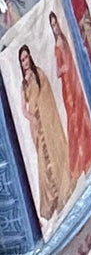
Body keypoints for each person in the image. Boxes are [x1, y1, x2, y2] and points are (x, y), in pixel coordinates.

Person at [17, 42, 71, 222]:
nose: (25, 62)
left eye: (26, 58)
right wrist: (33, 119)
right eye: (22, 59)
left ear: (30, 57)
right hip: (37, 128)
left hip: (47, 123)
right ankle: (52, 198)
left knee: (52, 153)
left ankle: (60, 191)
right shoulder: (23, 85)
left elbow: (46, 96)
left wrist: (42, 115)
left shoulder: (39, 74)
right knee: (43, 160)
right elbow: (23, 109)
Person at [48, 8, 91, 181]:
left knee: (81, 114)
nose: (55, 28)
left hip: (74, 83)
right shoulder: (57, 46)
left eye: (56, 24)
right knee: (74, 119)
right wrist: (64, 68)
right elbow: (57, 71)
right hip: (68, 88)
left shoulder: (63, 41)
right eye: (52, 26)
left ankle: (89, 152)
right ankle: (82, 158)